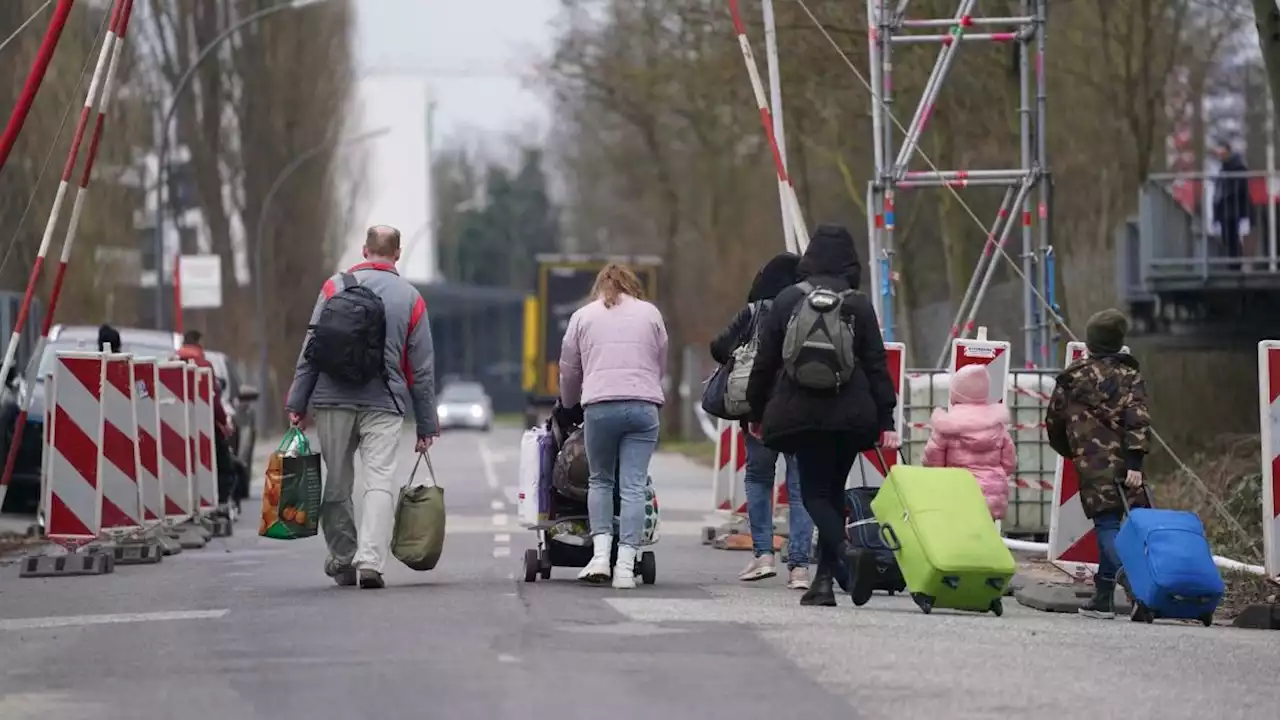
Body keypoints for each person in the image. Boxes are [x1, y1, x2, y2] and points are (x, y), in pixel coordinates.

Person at [745, 224, 900, 607]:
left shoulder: (786, 300)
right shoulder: (858, 304)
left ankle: (846, 555)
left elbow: (764, 362)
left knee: (813, 493)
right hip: (851, 415)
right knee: (832, 492)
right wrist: (887, 419)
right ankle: (825, 583)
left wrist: (755, 409)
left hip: (800, 412)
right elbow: (877, 366)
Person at [286, 225, 438, 590]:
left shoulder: (333, 287)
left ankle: (343, 556)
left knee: (337, 481)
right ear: (397, 254)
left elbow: (312, 346)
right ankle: (371, 561)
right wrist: (426, 425)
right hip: (384, 403)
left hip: (331, 398)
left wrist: (297, 401)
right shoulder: (411, 298)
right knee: (379, 482)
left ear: (364, 249)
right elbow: (421, 368)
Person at [709, 252, 814, 589]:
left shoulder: (755, 312)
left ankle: (764, 555)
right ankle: (799, 567)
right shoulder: (810, 309)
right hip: (800, 410)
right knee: (800, 488)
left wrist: (738, 355)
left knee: (758, 478)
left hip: (759, 413)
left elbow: (718, 346)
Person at [559, 263, 667, 590]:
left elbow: (569, 368)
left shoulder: (583, 316)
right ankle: (625, 566)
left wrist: (568, 404)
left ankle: (600, 558)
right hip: (643, 407)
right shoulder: (651, 314)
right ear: (631, 285)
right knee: (633, 486)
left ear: (600, 287)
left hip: (600, 407)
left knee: (601, 480)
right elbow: (659, 363)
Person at [1045, 309, 1151, 620]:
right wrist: (1135, 462)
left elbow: (1054, 424)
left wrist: (1073, 452)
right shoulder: (1130, 376)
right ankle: (1104, 597)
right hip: (1127, 464)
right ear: (1119, 342)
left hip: (1091, 462)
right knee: (1118, 525)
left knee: (1106, 525)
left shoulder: (1071, 378)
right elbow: (1139, 421)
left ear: (1089, 343)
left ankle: (1135, 586)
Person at [922, 364, 1015, 521]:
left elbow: (932, 462)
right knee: (983, 535)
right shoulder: (997, 425)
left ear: (955, 393)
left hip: (956, 493)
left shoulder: (947, 425)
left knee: (958, 537)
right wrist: (993, 479)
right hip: (992, 497)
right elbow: (1010, 462)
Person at [173, 330, 239, 510]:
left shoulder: (172, 364)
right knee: (223, 464)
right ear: (198, 344)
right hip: (204, 426)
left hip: (175, 426)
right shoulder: (204, 365)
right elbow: (214, 400)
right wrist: (223, 423)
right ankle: (219, 502)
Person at [1212, 140, 1250, 270]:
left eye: (1222, 152)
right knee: (1228, 237)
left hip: (1233, 208)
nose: (1221, 155)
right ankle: (1233, 264)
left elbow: (1238, 188)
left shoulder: (1237, 166)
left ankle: (1235, 265)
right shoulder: (1224, 167)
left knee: (1232, 236)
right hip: (1226, 207)